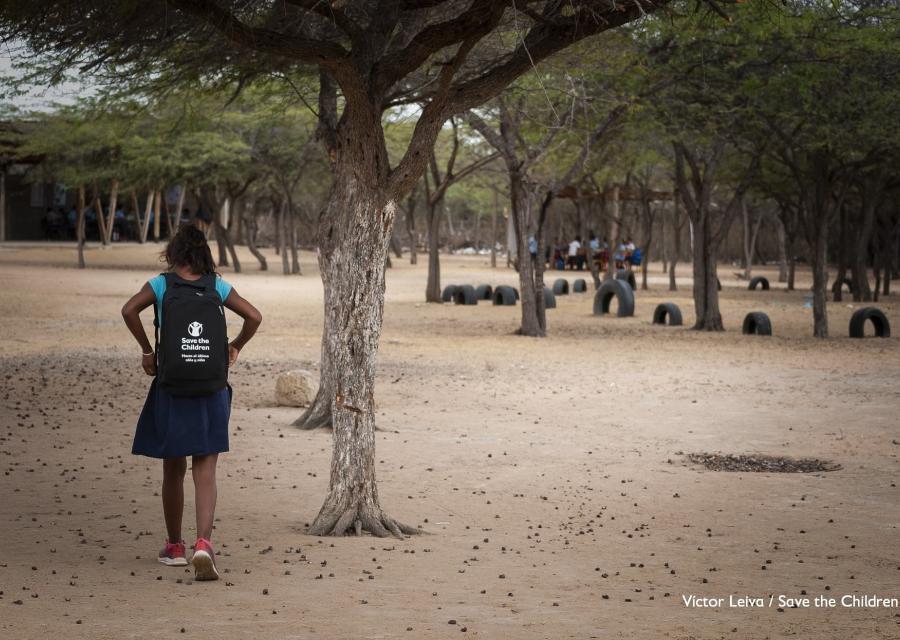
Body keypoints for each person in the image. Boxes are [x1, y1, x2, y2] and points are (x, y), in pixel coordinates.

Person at [120, 224, 262, 581]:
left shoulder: (161, 285)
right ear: (204, 253)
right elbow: (255, 316)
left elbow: (128, 310)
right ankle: (204, 544)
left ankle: (174, 547)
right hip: (211, 387)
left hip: (172, 385)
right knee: (206, 469)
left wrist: (147, 351)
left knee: (173, 468)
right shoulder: (217, 285)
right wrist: (236, 346)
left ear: (173, 252)